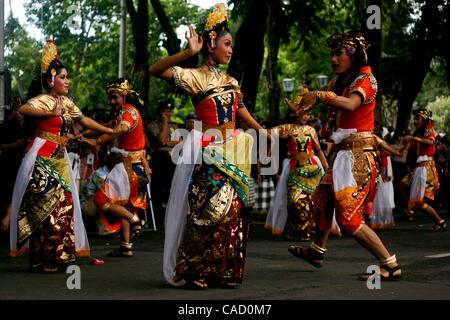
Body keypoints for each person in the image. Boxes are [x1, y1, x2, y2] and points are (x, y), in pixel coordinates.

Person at [149, 3, 267, 289]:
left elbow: (239, 109)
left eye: (232, 45)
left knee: (235, 210)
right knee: (208, 208)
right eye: (227, 44)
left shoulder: (231, 81)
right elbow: (154, 70)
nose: (230, 50)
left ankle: (224, 268)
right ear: (212, 44)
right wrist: (187, 54)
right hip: (208, 147)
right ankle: (193, 268)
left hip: (235, 148)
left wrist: (260, 129)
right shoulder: (195, 77)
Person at [285, 32, 402, 280]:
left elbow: (349, 105)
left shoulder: (367, 80)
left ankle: (389, 263)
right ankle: (317, 251)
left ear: (354, 56)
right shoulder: (341, 83)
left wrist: (318, 96)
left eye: (339, 54)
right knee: (324, 202)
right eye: (333, 54)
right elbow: (325, 104)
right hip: (343, 154)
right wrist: (303, 104)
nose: (333, 59)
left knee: (349, 220)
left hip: (358, 157)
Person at [9, 40, 118, 272]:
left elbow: (84, 121)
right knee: (45, 208)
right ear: (51, 80)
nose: (67, 81)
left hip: (60, 159)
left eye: (67, 77)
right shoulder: (44, 100)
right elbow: (23, 110)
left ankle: (61, 254)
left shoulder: (67, 102)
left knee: (65, 206)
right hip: (42, 157)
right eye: (63, 77)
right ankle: (43, 258)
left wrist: (108, 130)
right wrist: (51, 112)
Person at [83, 78, 151, 258]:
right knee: (123, 205)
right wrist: (82, 133)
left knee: (100, 200)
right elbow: (107, 127)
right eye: (110, 98)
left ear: (124, 95)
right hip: (134, 167)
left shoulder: (129, 112)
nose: (111, 101)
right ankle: (125, 246)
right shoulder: (124, 111)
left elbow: (121, 128)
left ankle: (135, 221)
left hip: (128, 167)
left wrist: (96, 141)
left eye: (114, 97)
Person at [265, 109, 329, 241]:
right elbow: (266, 133)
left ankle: (312, 231)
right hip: (294, 167)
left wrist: (328, 169)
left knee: (313, 200)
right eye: (303, 113)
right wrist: (275, 140)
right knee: (294, 200)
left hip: (312, 166)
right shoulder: (287, 128)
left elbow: (318, 150)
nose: (306, 117)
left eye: (308, 114)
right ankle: (295, 231)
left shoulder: (311, 130)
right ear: (296, 113)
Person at [400, 109, 446, 230]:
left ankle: (440, 222)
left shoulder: (429, 127)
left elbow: (431, 141)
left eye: (417, 118)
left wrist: (413, 139)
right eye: (414, 119)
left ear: (424, 119)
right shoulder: (419, 132)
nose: (415, 121)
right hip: (419, 167)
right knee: (404, 185)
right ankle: (411, 211)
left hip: (426, 167)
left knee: (419, 201)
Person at [147, 101, 179, 228]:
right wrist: (165, 123)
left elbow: (179, 142)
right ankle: (157, 220)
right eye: (165, 111)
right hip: (159, 160)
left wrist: (167, 143)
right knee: (157, 191)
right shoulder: (153, 125)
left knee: (172, 189)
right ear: (160, 111)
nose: (168, 114)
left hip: (172, 161)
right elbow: (161, 140)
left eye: (169, 111)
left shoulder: (175, 126)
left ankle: (172, 220)